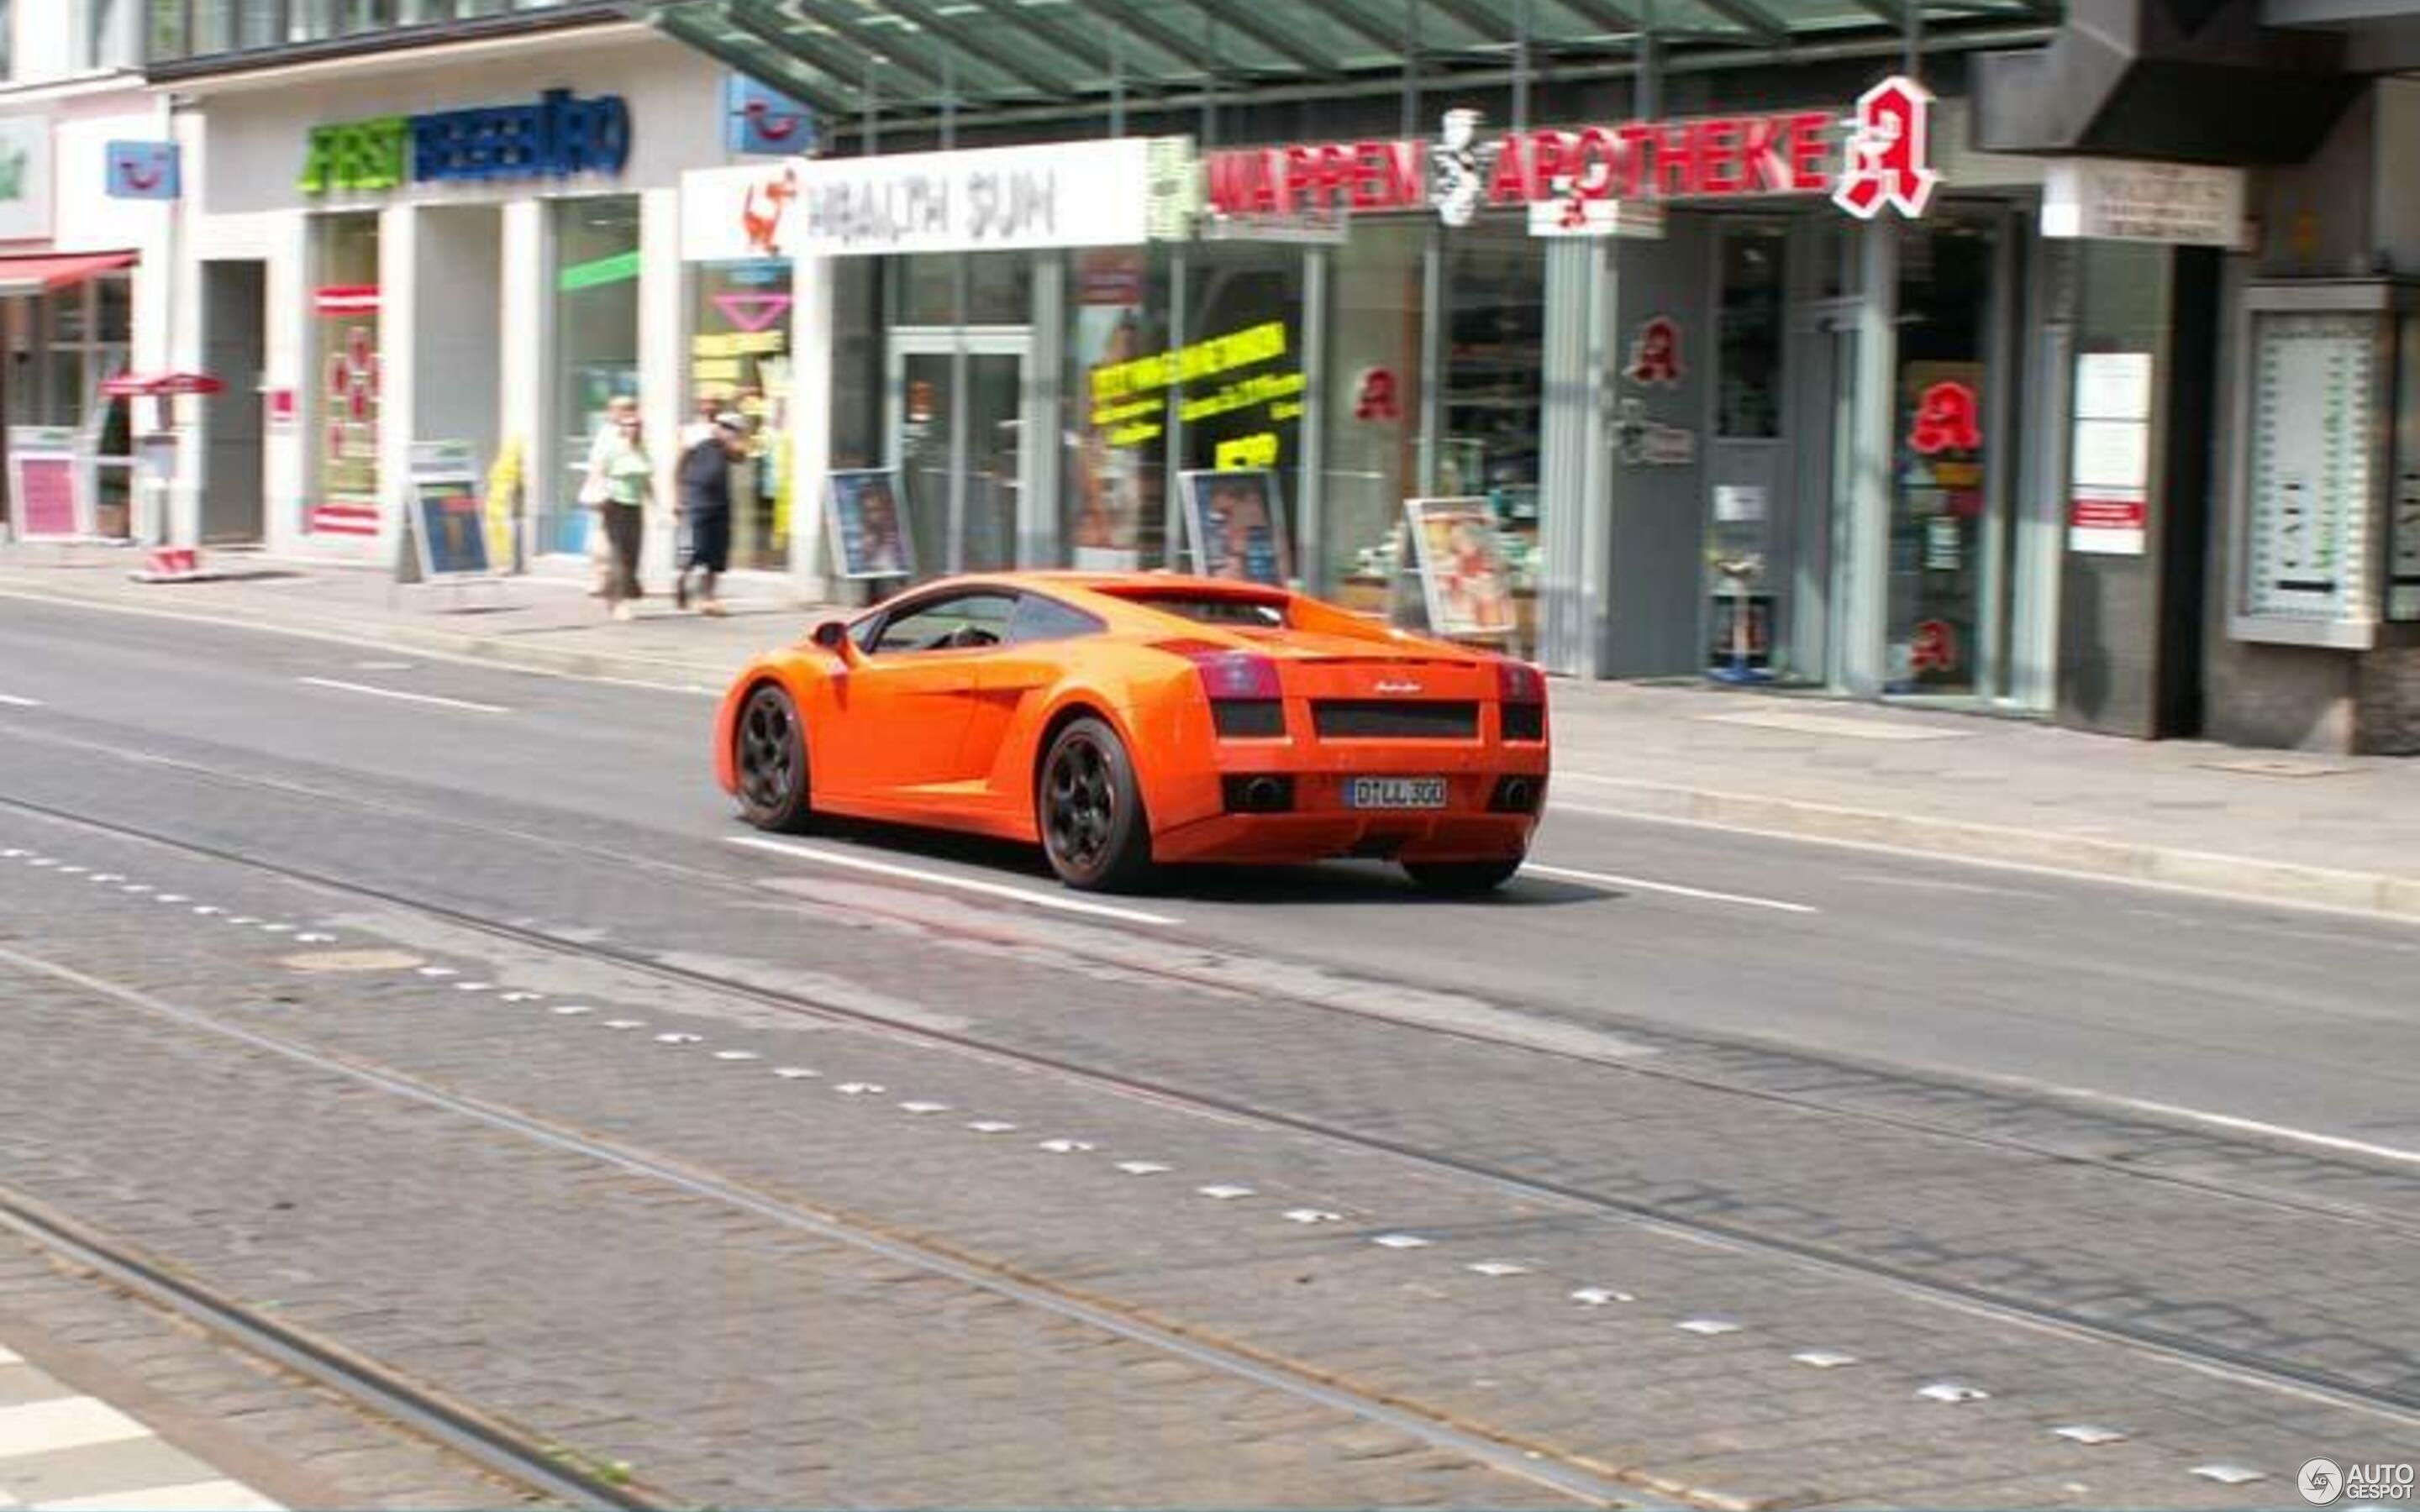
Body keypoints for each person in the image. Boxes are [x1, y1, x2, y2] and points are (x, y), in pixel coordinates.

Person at [676, 412, 746, 615]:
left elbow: (741, 457)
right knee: (693, 551)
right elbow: (678, 465)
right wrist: (677, 497)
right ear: (716, 425)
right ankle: (682, 580)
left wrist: (731, 442)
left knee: (716, 556)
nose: (728, 431)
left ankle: (708, 599)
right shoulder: (696, 438)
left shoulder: (728, 447)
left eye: (733, 429)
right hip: (697, 502)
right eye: (725, 427)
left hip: (721, 504)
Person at [592, 396, 652, 621]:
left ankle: (614, 588)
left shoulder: (642, 449)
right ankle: (618, 602)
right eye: (629, 424)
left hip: (635, 506)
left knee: (632, 553)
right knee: (617, 554)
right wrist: (599, 495)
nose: (633, 428)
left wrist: (656, 503)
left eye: (637, 424)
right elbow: (597, 470)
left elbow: (646, 477)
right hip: (614, 504)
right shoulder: (611, 444)